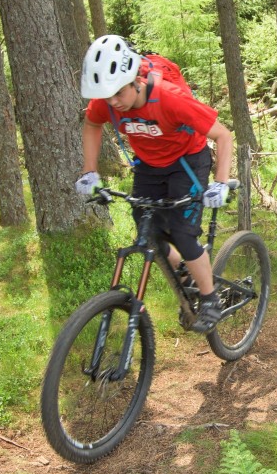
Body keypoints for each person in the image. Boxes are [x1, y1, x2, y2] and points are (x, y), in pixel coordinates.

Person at [74, 35, 235, 333]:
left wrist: (220, 183)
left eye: (118, 93)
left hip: (187, 162)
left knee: (184, 235)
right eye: (107, 96)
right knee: (149, 232)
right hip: (148, 166)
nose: (113, 102)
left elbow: (223, 135)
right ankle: (188, 272)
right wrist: (89, 172)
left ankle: (211, 298)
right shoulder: (107, 102)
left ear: (135, 79)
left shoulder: (170, 98)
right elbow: (92, 124)